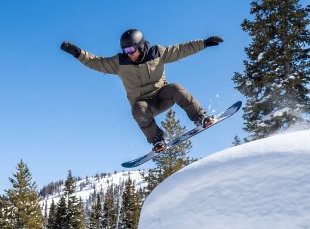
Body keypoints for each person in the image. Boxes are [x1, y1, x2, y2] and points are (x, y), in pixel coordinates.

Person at [60, 29, 224, 153]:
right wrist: (78, 53)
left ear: (140, 45)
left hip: (162, 95)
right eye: (125, 51)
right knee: (137, 110)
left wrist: (204, 43)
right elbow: (96, 62)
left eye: (131, 50)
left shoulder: (157, 53)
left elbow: (181, 49)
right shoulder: (119, 62)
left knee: (176, 88)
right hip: (144, 104)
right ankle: (157, 140)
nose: (129, 54)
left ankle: (200, 117)